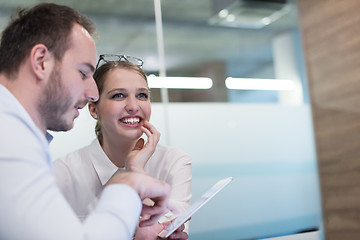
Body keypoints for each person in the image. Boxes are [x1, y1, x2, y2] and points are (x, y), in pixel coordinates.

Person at [0, 3, 171, 240]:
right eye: (83, 73)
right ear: (40, 61)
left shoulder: (17, 136)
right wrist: (128, 185)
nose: (93, 92)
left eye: (142, 95)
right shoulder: (8, 141)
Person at [54, 57, 192, 240]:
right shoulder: (62, 173)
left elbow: (162, 234)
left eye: (142, 95)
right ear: (94, 110)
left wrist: (136, 170)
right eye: (119, 95)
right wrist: (134, 173)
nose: (134, 107)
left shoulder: (174, 162)